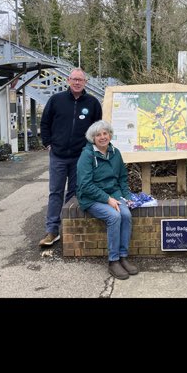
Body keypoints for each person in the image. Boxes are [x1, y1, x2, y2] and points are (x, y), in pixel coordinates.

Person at [39, 68, 102, 247]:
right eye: (74, 79)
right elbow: (45, 123)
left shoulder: (92, 103)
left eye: (80, 80)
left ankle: (69, 228)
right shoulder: (56, 100)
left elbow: (97, 128)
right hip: (58, 155)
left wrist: (91, 149)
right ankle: (52, 230)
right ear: (68, 80)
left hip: (80, 157)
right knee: (55, 192)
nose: (77, 82)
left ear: (85, 82)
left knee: (75, 193)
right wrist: (48, 143)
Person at [76, 119, 138, 280]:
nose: (103, 137)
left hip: (114, 195)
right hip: (91, 198)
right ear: (93, 138)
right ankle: (113, 261)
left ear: (110, 135)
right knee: (114, 216)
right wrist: (107, 199)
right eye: (98, 135)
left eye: (105, 133)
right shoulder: (87, 155)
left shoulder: (115, 152)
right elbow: (85, 185)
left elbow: (123, 178)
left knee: (126, 215)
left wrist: (128, 197)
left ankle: (123, 257)